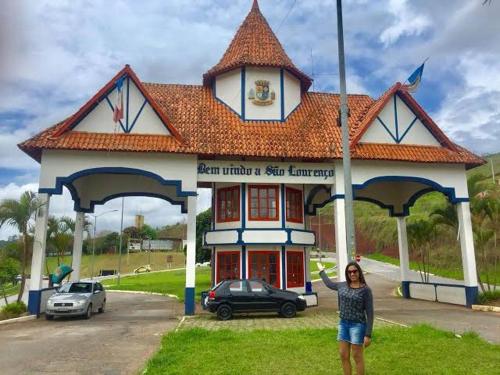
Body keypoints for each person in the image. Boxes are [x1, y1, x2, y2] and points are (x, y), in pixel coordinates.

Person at [317, 261, 374, 375]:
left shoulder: (365, 290)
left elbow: (370, 312)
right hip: (343, 324)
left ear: (359, 272)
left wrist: (368, 335)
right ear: (347, 274)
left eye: (354, 271)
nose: (352, 274)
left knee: (357, 356)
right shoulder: (342, 285)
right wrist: (322, 272)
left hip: (357, 325)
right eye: (349, 272)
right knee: (343, 355)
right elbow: (329, 284)